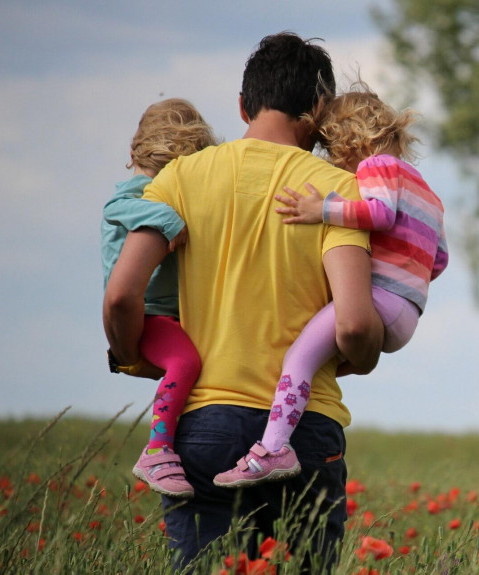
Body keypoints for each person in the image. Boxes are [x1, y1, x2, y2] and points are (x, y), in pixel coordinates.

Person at [103, 32, 383, 569]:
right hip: (304, 429)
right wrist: (363, 358)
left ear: (241, 105)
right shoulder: (335, 191)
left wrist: (134, 355)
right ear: (319, 109)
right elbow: (352, 324)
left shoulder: (178, 179)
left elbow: (120, 296)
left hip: (202, 424)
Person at [214, 86, 448, 488]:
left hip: (379, 300)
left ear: (351, 140)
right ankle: (285, 428)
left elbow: (379, 213)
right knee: (319, 359)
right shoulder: (428, 192)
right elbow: (439, 259)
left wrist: (320, 209)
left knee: (298, 359)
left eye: (332, 149)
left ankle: (273, 449)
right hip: (408, 311)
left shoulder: (377, 167)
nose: (333, 161)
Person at [101, 98, 217, 498]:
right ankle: (158, 449)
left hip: (167, 314)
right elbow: (117, 207)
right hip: (148, 314)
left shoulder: (156, 188)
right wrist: (168, 219)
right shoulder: (138, 192)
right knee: (185, 361)